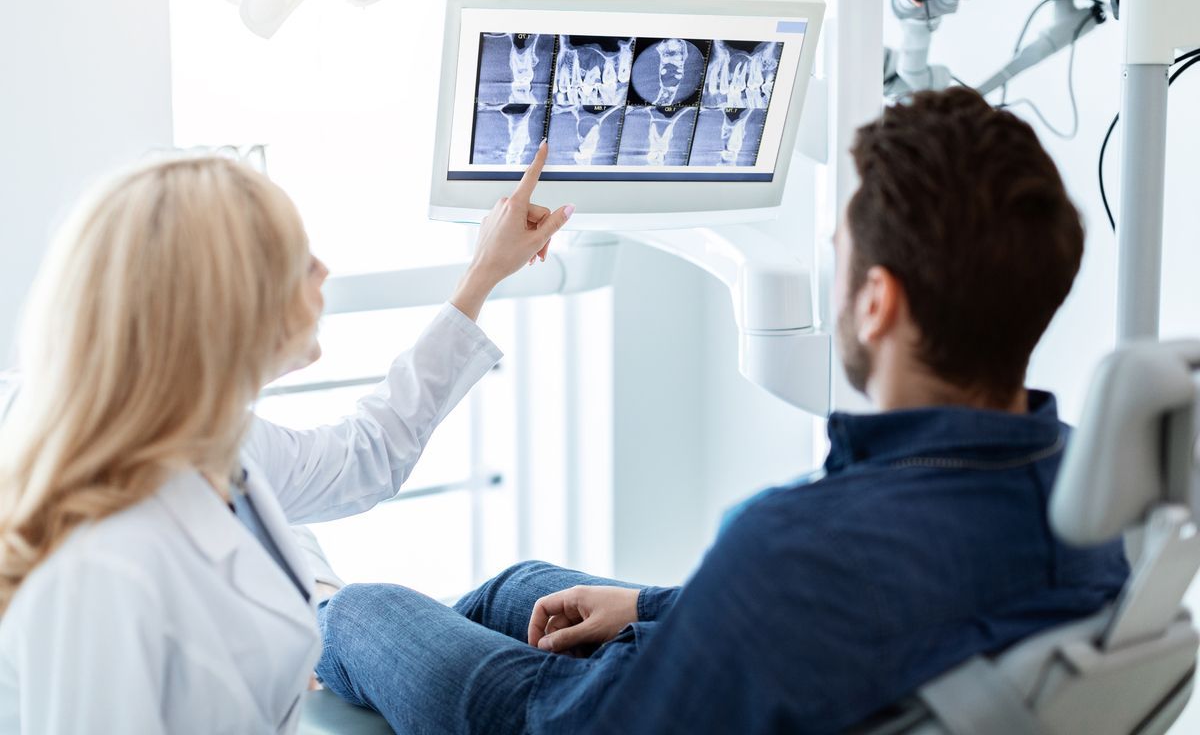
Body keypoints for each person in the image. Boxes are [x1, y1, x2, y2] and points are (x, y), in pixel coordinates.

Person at [313, 88, 1131, 734]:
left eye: (838, 259)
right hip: (845, 663)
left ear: (877, 302)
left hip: (561, 720)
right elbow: (837, 613)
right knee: (518, 588)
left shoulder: (794, 540)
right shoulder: (1087, 501)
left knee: (356, 610)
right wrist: (647, 609)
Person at [0, 142, 567, 733]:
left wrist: (482, 275)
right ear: (224, 305)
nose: (324, 270)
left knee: (521, 589)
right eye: (298, 259)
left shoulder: (212, 440)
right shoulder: (108, 566)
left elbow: (364, 455)